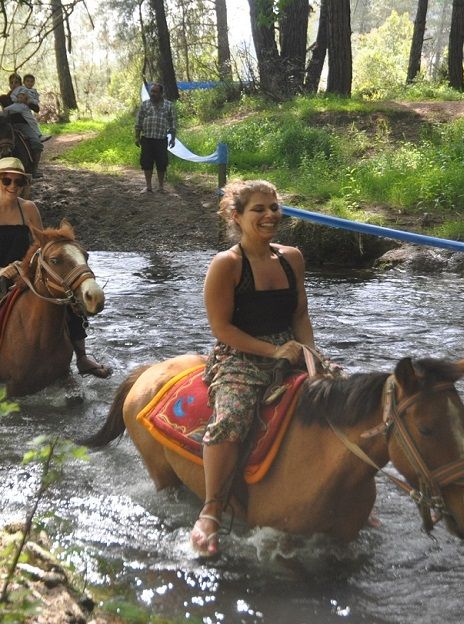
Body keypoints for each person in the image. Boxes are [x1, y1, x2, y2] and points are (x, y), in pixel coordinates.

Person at [192, 180, 316, 556]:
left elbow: (300, 313)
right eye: (258, 209)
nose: (269, 216)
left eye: (274, 207)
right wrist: (272, 351)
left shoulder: (292, 257)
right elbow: (222, 328)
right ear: (236, 216)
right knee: (232, 416)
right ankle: (212, 508)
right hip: (240, 354)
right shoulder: (226, 265)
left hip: (292, 349)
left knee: (341, 397)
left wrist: (311, 357)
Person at [0, 157, 110, 397]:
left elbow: (41, 246)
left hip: (21, 275)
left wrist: (25, 266)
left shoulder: (28, 209)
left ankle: (81, 357)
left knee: (71, 305)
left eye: (19, 181)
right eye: (7, 179)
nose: (13, 185)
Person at [0, 73, 44, 176]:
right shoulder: (4, 98)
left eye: (16, 82)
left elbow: (37, 109)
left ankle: (34, 169)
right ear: (9, 84)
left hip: (23, 125)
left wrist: (27, 101)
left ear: (20, 84)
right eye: (11, 82)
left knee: (37, 143)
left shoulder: (26, 95)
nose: (14, 84)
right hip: (7, 126)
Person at [134, 82, 176, 194]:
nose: (152, 94)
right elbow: (139, 121)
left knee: (161, 163)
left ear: (161, 93)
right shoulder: (145, 104)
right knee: (146, 162)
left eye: (155, 92)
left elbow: (172, 123)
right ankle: (148, 187)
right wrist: (137, 137)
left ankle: (161, 187)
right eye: (151, 91)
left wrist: (173, 138)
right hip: (147, 138)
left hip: (161, 139)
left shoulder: (168, 105)